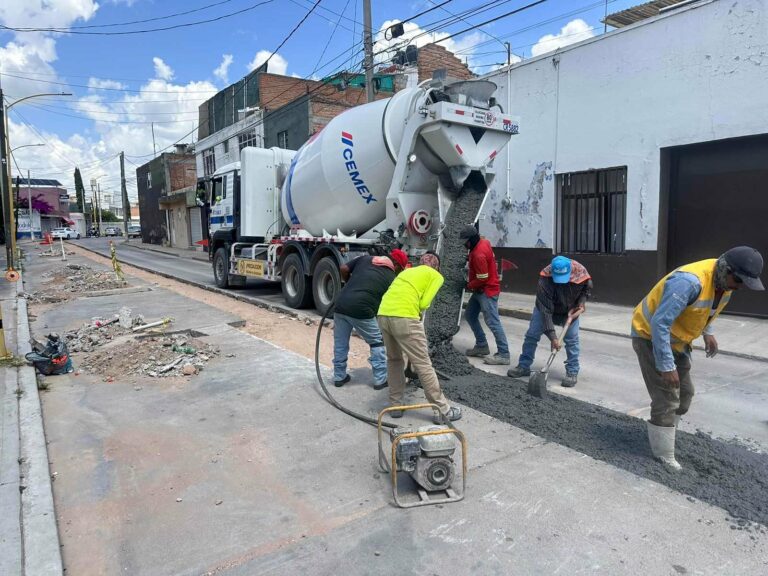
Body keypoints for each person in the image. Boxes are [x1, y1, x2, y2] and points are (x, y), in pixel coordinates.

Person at [632, 246, 764, 470]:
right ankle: (663, 455)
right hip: (649, 336)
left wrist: (708, 332)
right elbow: (659, 324)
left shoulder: (725, 283)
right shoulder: (689, 282)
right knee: (667, 398)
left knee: (685, 394)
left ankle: (665, 432)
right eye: (739, 281)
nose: (740, 287)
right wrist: (666, 364)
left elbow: (707, 310)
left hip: (679, 340)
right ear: (726, 270)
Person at [378, 252, 462, 423]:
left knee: (394, 360)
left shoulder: (406, 272)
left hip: (383, 314)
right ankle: (443, 411)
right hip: (405, 317)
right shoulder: (436, 276)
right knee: (423, 364)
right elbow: (424, 304)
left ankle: (395, 406)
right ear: (437, 266)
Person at [507, 256, 592, 387]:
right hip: (546, 308)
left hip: (570, 309)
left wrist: (581, 303)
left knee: (572, 340)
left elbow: (586, 289)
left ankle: (572, 371)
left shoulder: (580, 272)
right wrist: (553, 337)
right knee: (531, 335)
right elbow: (545, 311)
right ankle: (523, 366)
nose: (560, 282)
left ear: (570, 271)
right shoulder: (545, 278)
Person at [332, 250, 407, 390]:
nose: (399, 272)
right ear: (395, 264)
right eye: (400, 269)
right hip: (361, 310)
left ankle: (339, 376)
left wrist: (348, 283)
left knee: (340, 342)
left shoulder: (365, 259)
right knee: (377, 342)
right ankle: (380, 380)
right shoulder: (392, 278)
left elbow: (343, 268)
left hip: (340, 304)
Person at [459, 225, 511, 365]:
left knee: (493, 322)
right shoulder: (484, 242)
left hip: (487, 291)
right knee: (470, 315)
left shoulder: (478, 255)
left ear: (471, 240)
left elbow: (483, 277)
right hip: (479, 291)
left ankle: (504, 354)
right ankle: (482, 345)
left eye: (465, 241)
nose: (463, 244)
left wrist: (468, 285)